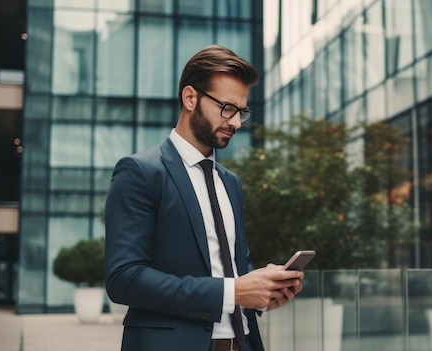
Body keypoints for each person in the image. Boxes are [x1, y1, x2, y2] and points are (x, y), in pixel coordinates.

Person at [104, 45, 304, 351]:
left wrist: (264, 291)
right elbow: (124, 279)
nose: (236, 122)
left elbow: (236, 270)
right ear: (190, 98)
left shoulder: (231, 183)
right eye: (227, 108)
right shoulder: (140, 172)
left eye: (241, 112)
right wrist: (233, 292)